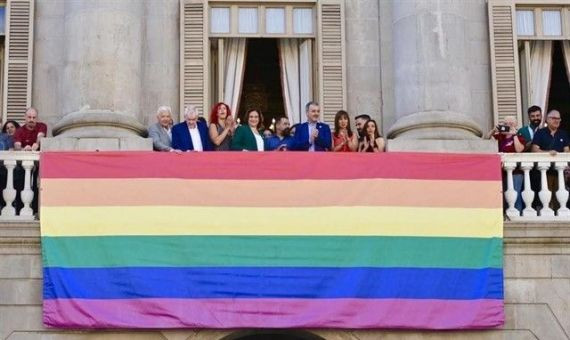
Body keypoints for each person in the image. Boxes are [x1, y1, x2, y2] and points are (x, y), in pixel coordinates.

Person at [531, 110, 569, 211]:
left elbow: (566, 150)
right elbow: (534, 149)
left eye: (558, 119)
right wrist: (547, 153)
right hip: (544, 171)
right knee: (546, 196)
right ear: (547, 119)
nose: (557, 121)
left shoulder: (563, 134)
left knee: (559, 196)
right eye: (554, 118)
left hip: (559, 171)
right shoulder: (540, 133)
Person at [487, 116, 525, 212]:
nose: (508, 125)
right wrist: (493, 130)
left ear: (515, 125)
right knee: (504, 195)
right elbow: (485, 140)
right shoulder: (500, 137)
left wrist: (514, 134)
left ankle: (517, 215)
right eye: (505, 124)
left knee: (516, 195)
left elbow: (519, 150)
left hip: (516, 172)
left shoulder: (519, 136)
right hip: (501, 172)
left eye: (510, 124)